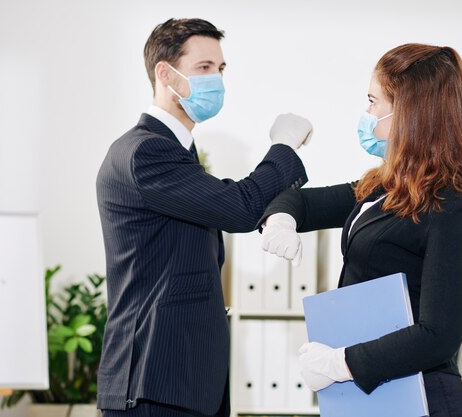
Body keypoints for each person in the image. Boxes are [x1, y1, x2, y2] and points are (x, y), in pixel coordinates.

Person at [260, 43, 462, 417]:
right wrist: (281, 221)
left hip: (419, 395)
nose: (366, 113)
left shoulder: (452, 208)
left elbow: (440, 335)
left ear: (411, 114)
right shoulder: (383, 187)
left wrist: (342, 363)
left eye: (373, 101)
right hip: (372, 394)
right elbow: (301, 203)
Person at [96, 18, 313, 417]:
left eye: (221, 69)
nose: (217, 80)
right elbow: (236, 206)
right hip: (155, 384)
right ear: (166, 73)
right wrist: (283, 148)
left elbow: (223, 200)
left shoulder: (174, 154)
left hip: (180, 384)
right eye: (204, 68)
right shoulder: (147, 152)